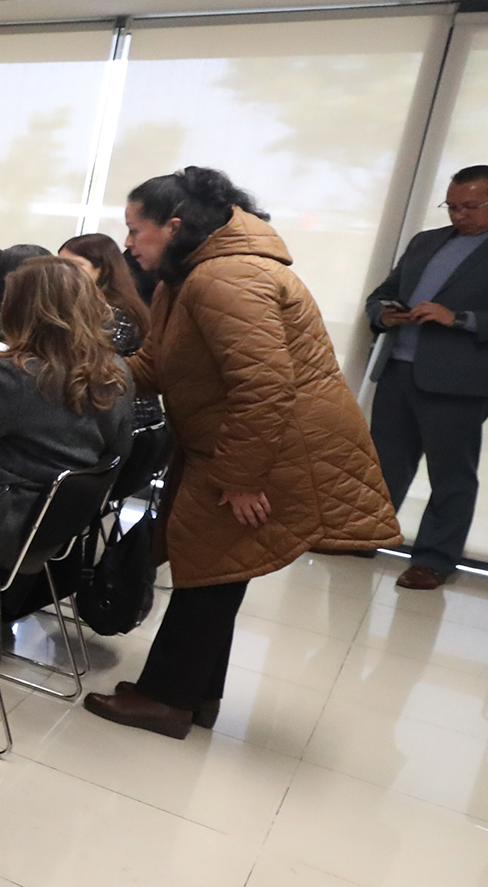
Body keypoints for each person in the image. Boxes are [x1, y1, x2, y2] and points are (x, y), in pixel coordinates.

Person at [86, 168, 397, 739]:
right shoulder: (190, 274)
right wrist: (83, 376)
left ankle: (166, 701)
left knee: (211, 569)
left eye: (134, 229)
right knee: (217, 568)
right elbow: (156, 364)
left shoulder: (226, 277)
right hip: (246, 443)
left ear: (173, 227)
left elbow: (265, 386)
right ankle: (195, 695)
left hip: (269, 449)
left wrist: (242, 478)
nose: (128, 244)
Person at [365, 164, 488, 589]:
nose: (459, 215)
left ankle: (434, 560)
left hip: (464, 377)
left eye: (471, 207)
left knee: (451, 474)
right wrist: (385, 314)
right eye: (452, 206)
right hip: (399, 367)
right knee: (383, 465)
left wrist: (460, 318)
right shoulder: (427, 241)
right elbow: (383, 293)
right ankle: (364, 537)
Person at [0, 257, 134, 575]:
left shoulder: (15, 377)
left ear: (21, 309)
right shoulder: (117, 370)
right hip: (53, 531)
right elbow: (120, 450)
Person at [57, 232, 149, 354]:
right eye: (60, 265)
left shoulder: (116, 314)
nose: (64, 272)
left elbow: (97, 358)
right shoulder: (70, 301)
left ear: (103, 269)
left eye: (76, 265)